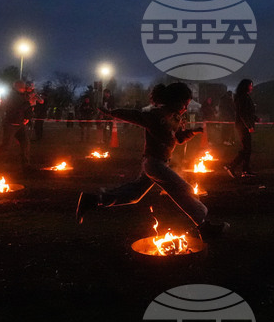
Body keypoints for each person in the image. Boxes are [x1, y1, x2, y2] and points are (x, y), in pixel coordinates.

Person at [75, 82, 227, 240]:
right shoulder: (157, 114)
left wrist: (192, 132)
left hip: (159, 163)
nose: (186, 107)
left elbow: (178, 138)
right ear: (175, 100)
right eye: (185, 103)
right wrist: (112, 112)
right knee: (184, 189)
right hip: (154, 163)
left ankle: (92, 200)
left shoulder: (176, 117)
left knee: (133, 195)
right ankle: (204, 227)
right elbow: (135, 116)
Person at [0, 80, 33, 172]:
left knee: (25, 143)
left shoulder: (23, 96)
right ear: (17, 87)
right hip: (11, 124)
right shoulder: (11, 96)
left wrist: (27, 117)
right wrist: (29, 103)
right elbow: (17, 109)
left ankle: (26, 165)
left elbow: (27, 109)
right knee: (6, 146)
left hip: (20, 124)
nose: (25, 88)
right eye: (23, 86)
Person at [224, 79, 257, 178]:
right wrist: (249, 126)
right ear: (246, 86)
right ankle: (232, 166)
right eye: (250, 85)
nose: (252, 87)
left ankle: (245, 170)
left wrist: (255, 118)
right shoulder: (242, 98)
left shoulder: (243, 97)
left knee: (247, 149)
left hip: (243, 126)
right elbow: (242, 113)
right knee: (246, 149)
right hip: (242, 127)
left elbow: (247, 112)